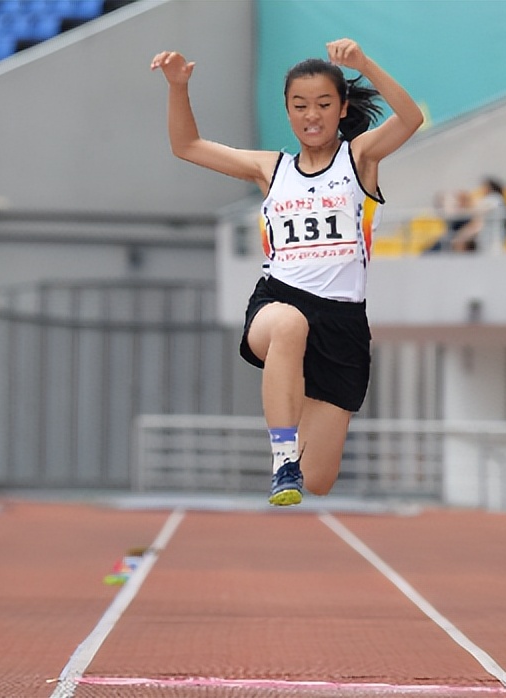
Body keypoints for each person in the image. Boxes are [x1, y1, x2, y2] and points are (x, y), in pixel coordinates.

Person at [151, 39, 423, 505]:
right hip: (278, 301)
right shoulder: (270, 169)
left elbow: (411, 119)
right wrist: (178, 87)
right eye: (299, 105)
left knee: (319, 479)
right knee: (290, 323)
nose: (311, 115)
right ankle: (282, 460)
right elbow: (187, 145)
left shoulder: (359, 159)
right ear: (288, 111)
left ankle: (298, 464)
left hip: (343, 325)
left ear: (340, 109)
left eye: (322, 104)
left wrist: (363, 65)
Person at [449, 177, 506, 253]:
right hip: (485, 239)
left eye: (484, 187)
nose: (482, 189)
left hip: (494, 239)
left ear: (490, 187)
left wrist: (466, 202)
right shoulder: (489, 199)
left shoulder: (495, 198)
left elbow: (478, 208)